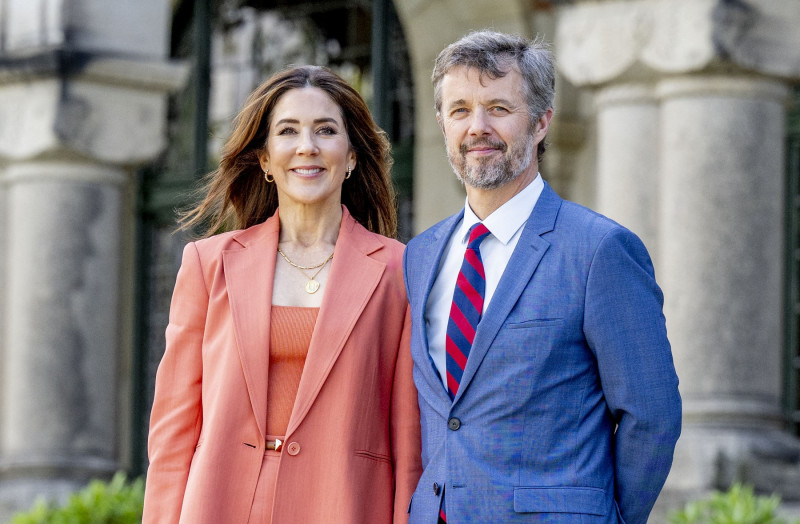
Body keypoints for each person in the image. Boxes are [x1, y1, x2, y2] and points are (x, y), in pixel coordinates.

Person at [402, 30, 681, 524]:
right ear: (442, 122)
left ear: (541, 123)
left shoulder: (599, 251)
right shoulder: (420, 256)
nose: (478, 127)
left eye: (499, 109)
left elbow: (652, 415)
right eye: (461, 109)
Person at [143, 65, 421, 523]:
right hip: (221, 504)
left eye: (326, 130)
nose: (307, 146)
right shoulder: (208, 264)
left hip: (344, 506)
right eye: (288, 131)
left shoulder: (397, 272)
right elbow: (173, 431)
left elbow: (408, 437)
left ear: (351, 156)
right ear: (266, 160)